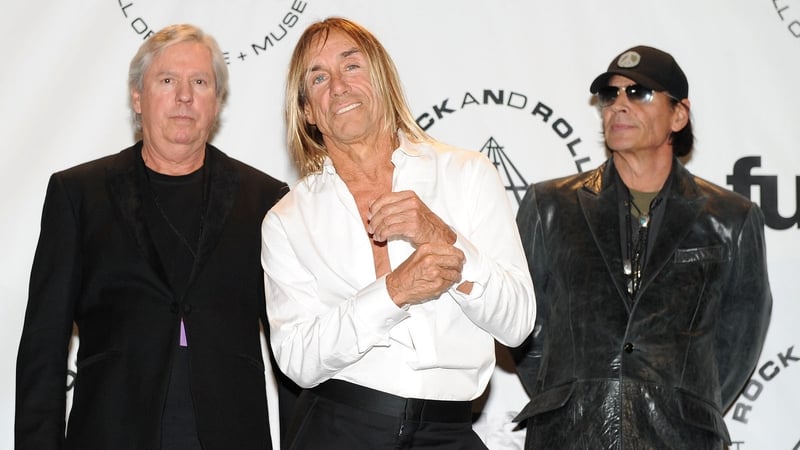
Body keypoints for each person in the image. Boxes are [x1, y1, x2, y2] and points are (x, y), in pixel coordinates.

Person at [260, 17, 535, 449]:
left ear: (382, 80)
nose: (338, 85)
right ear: (308, 112)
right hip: (338, 429)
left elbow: (518, 324)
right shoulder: (287, 219)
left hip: (449, 431)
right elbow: (296, 360)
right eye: (318, 77)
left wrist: (441, 237)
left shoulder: (467, 175)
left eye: (351, 66)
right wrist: (393, 292)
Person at [15, 24, 287, 450]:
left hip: (230, 430)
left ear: (215, 102)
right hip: (111, 428)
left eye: (200, 82)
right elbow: (42, 348)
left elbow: (289, 347)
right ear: (137, 98)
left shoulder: (265, 200)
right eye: (167, 80)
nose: (184, 95)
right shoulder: (79, 194)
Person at [512, 45, 773, 449]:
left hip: (681, 436)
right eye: (610, 95)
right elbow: (523, 322)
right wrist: (573, 394)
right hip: (570, 433)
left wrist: (678, 401)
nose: (619, 105)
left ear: (679, 115)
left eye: (639, 93)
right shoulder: (550, 206)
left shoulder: (731, 218)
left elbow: (738, 340)